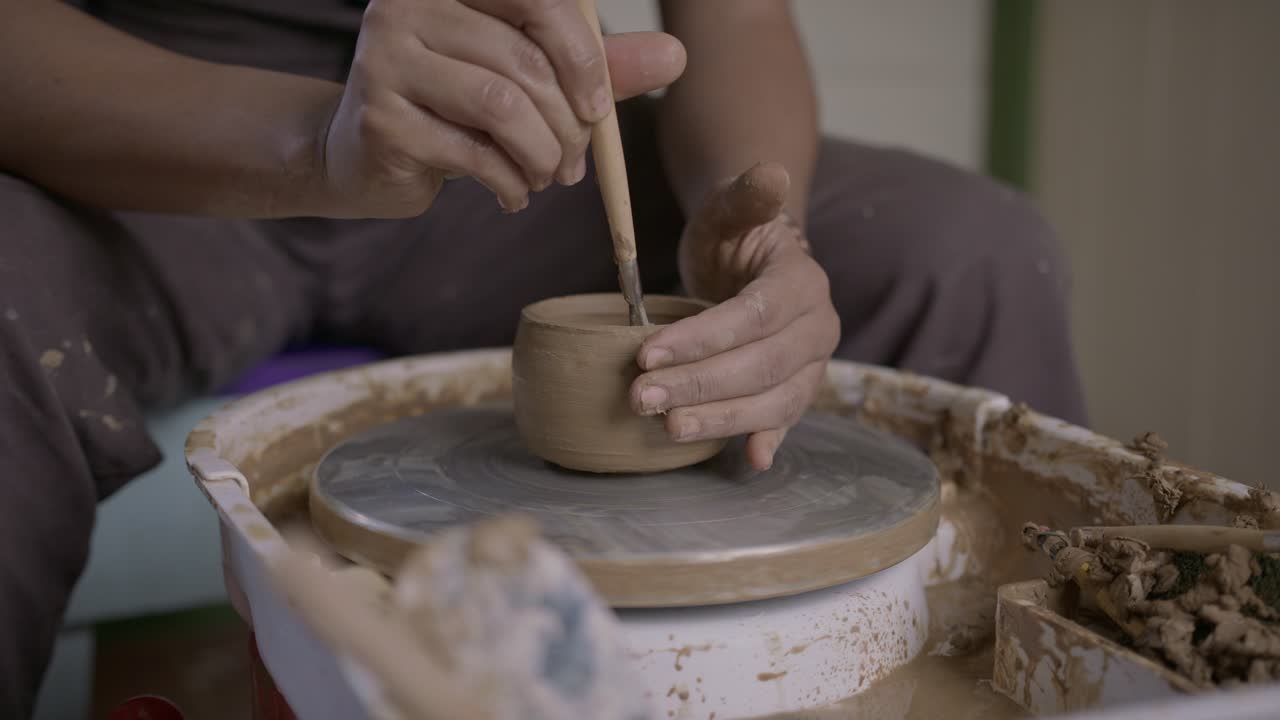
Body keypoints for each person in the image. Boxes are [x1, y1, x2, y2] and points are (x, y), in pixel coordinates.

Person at [0, 0, 1087, 715]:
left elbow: (734, 17)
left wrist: (750, 225)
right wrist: (311, 143)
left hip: (507, 145)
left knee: (966, 253)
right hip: (159, 123)